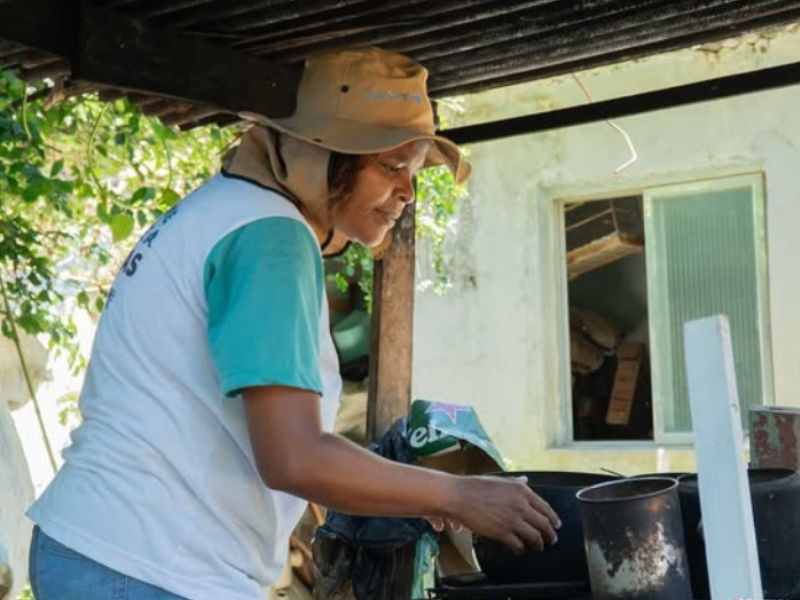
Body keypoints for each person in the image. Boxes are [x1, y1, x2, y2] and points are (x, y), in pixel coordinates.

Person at [26, 46, 560, 600]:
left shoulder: (221, 211)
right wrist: (455, 495)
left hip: (110, 552)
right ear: (320, 157)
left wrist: (402, 491)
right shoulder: (270, 238)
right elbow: (293, 455)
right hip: (143, 564)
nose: (407, 190)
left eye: (415, 169)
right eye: (390, 165)